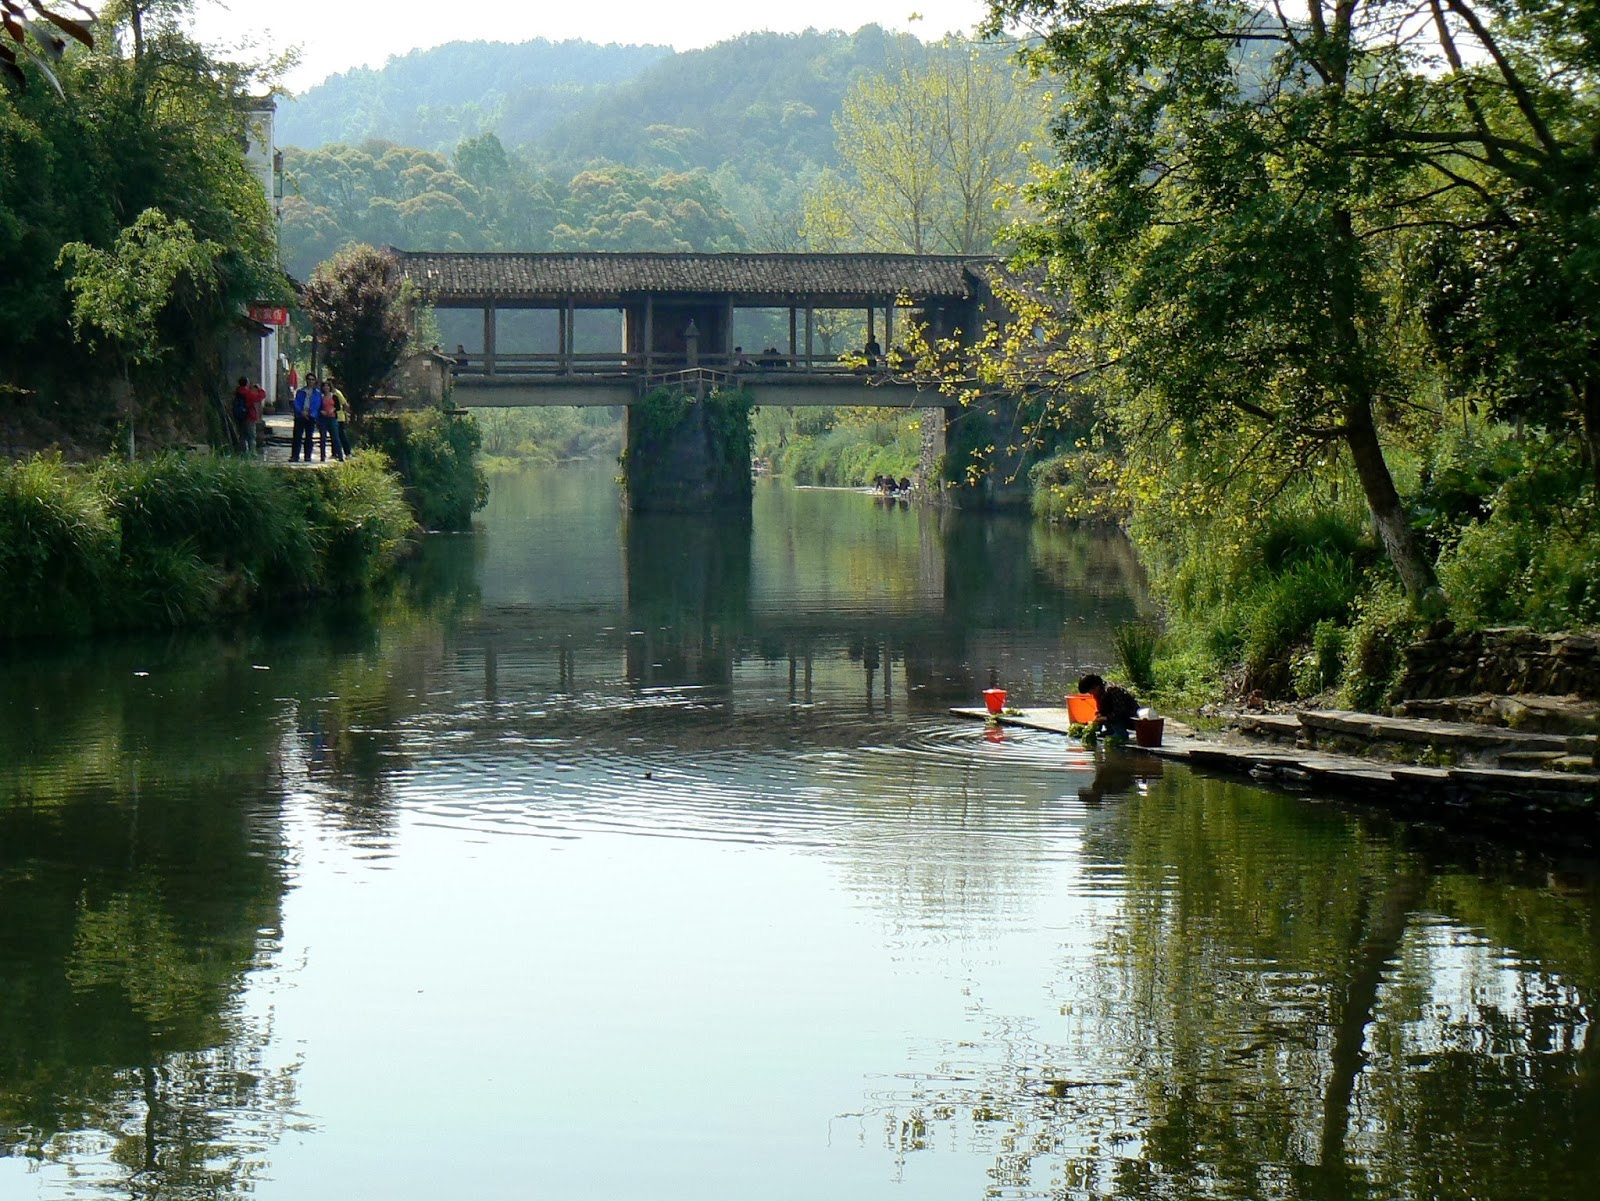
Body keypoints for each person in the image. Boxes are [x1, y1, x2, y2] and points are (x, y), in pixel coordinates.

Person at [1077, 672, 1140, 738]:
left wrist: (1106, 718)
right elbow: (1101, 709)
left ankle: (1121, 734)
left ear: (1095, 686)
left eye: (1090, 691)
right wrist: (1098, 717)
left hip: (1130, 717)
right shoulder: (1099, 693)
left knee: (1113, 716)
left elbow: (1120, 710)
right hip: (1114, 716)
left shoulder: (1112, 690)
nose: (1090, 694)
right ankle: (1111, 730)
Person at [233, 376, 265, 456]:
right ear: (246, 383)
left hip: (239, 417)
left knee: (242, 435)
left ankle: (242, 452)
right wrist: (259, 389)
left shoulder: (237, 392)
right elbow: (260, 396)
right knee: (251, 436)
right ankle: (252, 453)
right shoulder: (248, 393)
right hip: (249, 417)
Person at [319, 375, 347, 462]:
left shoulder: (334, 396)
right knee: (323, 438)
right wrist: (321, 411)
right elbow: (318, 407)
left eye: (327, 386)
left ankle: (340, 455)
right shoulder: (321, 397)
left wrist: (333, 409)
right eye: (324, 386)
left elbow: (338, 406)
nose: (326, 388)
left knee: (336, 437)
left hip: (333, 418)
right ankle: (322, 456)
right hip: (323, 419)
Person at [290, 373, 316, 462]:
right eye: (309, 379)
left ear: (315, 381)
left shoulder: (317, 393)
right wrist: (301, 412)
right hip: (300, 416)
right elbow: (296, 403)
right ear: (306, 380)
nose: (311, 381)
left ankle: (307, 456)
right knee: (297, 436)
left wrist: (310, 413)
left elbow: (317, 405)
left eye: (312, 379)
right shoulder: (300, 391)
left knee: (309, 437)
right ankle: (295, 456)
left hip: (311, 417)